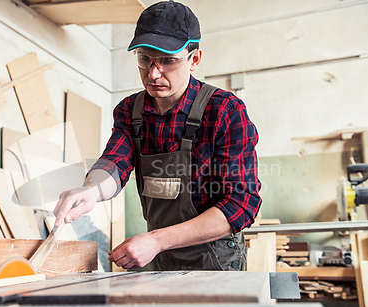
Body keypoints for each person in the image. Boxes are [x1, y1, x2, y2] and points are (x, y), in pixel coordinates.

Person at [54, 0, 261, 271]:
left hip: (215, 260)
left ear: (194, 59)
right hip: (160, 257)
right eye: (145, 59)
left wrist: (157, 240)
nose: (153, 73)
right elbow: (116, 162)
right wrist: (92, 190)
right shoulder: (131, 110)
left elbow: (241, 203)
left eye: (168, 60)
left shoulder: (225, 111)